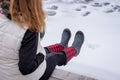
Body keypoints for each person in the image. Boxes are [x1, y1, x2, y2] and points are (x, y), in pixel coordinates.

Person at [0, 0, 84, 80]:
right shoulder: (28, 29)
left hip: (3, 73)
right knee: (53, 57)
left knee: (40, 50)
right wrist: (41, 56)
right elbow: (26, 69)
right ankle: (74, 50)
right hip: (21, 77)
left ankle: (61, 46)